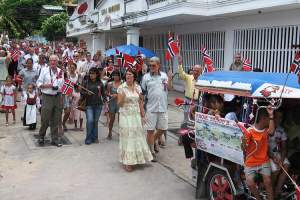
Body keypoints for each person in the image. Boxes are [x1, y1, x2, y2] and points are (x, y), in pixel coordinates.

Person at [117, 68, 153, 172]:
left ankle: (138, 158)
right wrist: (123, 98)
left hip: (136, 115)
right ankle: (128, 161)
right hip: (125, 115)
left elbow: (141, 102)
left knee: (137, 136)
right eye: (127, 74)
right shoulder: (121, 88)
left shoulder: (138, 87)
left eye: (130, 74)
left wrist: (142, 115)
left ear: (134, 76)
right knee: (128, 137)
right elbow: (119, 104)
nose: (128, 76)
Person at [141, 56, 172, 161]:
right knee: (150, 131)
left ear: (158, 65)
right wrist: (141, 109)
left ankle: (151, 142)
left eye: (153, 65)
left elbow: (170, 89)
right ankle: (151, 152)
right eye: (150, 65)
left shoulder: (164, 76)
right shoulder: (146, 77)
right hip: (150, 108)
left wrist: (170, 78)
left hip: (163, 107)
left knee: (163, 128)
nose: (151, 67)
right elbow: (142, 92)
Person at [243, 106, 275, 200]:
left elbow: (272, 132)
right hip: (251, 162)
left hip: (263, 161)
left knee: (268, 182)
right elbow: (243, 148)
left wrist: (271, 115)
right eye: (269, 119)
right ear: (263, 119)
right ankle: (258, 198)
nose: (270, 122)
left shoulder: (266, 131)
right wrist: (243, 142)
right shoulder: (249, 131)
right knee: (250, 183)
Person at [36, 55, 64, 147]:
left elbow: (62, 85)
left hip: (57, 96)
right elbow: (38, 83)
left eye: (55, 60)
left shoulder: (60, 71)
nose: (53, 62)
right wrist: (46, 85)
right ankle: (41, 136)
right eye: (51, 60)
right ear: (49, 62)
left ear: (57, 62)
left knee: (56, 118)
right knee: (45, 119)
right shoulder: (44, 70)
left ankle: (54, 139)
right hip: (47, 96)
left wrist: (59, 89)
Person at [81, 67, 106, 145]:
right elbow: (81, 92)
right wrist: (86, 93)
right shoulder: (86, 82)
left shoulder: (100, 83)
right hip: (89, 105)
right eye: (90, 73)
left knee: (95, 121)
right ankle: (88, 138)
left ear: (97, 74)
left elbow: (103, 94)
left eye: (93, 73)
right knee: (90, 121)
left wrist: (105, 100)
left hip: (98, 105)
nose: (91, 75)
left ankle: (95, 137)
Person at [269, 110, 289, 198]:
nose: (279, 119)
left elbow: (284, 148)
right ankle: (269, 189)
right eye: (277, 117)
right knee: (276, 169)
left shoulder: (281, 130)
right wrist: (273, 158)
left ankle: (277, 191)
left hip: (277, 153)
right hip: (267, 154)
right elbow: (264, 148)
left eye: (281, 117)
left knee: (286, 165)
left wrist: (281, 160)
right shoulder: (267, 128)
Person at [177, 55, 202, 127]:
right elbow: (181, 75)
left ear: (200, 71)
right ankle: (184, 132)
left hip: (197, 102)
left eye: (197, 71)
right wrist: (180, 64)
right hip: (188, 100)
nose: (195, 72)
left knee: (195, 119)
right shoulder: (188, 77)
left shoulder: (202, 80)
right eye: (194, 70)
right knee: (186, 118)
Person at [62, 62, 79, 131]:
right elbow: (64, 84)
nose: (72, 69)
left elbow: (77, 85)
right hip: (66, 94)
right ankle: (63, 123)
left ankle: (63, 123)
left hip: (74, 95)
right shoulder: (66, 75)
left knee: (71, 111)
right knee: (67, 111)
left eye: (73, 68)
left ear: (75, 68)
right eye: (70, 67)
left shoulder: (77, 75)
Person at [107, 70, 122, 139]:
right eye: (114, 75)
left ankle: (121, 133)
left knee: (120, 119)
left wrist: (118, 95)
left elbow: (125, 93)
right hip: (112, 102)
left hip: (120, 102)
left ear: (119, 76)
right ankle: (110, 132)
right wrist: (111, 95)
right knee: (112, 119)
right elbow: (107, 93)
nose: (115, 77)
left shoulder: (122, 84)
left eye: (117, 75)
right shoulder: (110, 84)